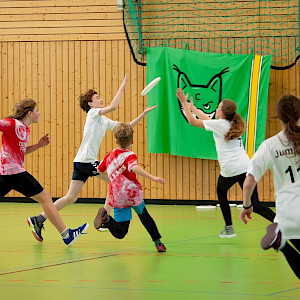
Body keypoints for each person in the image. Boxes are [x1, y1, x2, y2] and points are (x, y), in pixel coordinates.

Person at [30, 74, 157, 241]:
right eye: (97, 98)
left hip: (80, 161)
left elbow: (125, 127)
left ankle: (38, 219)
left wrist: (143, 114)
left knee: (71, 197)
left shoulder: (102, 120)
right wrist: (123, 85)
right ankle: (104, 218)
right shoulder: (92, 114)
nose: (100, 99)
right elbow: (113, 106)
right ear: (90, 104)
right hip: (87, 161)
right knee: (114, 181)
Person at [176, 88, 275, 238]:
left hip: (231, 169)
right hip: (246, 167)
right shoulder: (227, 123)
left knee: (221, 193)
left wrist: (183, 102)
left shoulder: (221, 124)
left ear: (221, 113)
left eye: (218, 107)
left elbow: (192, 121)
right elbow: (209, 121)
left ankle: (229, 228)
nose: (216, 109)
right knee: (256, 205)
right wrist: (193, 108)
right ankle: (281, 223)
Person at [0, 98, 88, 246]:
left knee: (45, 199)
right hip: (13, 172)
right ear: (29, 113)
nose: (39, 113)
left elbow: (21, 152)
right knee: (46, 199)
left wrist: (39, 145)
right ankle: (67, 235)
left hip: (7, 174)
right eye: (37, 111)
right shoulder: (12, 124)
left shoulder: (25, 129)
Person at [241, 94, 300, 279]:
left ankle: (281, 244)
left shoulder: (270, 145)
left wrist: (247, 205)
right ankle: (281, 244)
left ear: (279, 117)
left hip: (288, 214)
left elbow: (249, 181)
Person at [93, 122, 167, 252]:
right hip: (132, 195)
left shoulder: (110, 155)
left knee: (120, 233)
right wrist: (152, 177)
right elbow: (134, 167)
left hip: (118, 197)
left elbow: (99, 169)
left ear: (116, 141)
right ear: (132, 140)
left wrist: (113, 174)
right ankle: (158, 242)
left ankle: (107, 219)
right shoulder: (130, 155)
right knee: (145, 217)